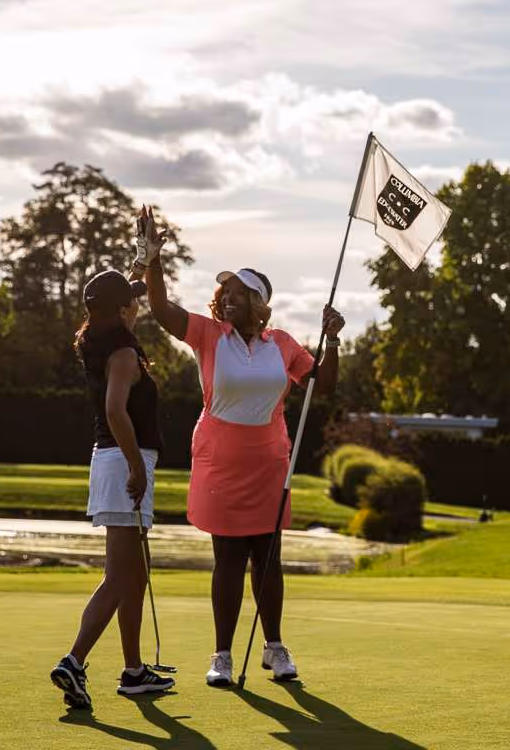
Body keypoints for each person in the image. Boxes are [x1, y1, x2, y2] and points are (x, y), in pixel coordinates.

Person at [138, 205, 345, 687]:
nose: (226, 298)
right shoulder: (210, 336)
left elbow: (323, 384)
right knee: (227, 558)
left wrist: (333, 340)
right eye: (224, 291)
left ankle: (274, 648)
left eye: (238, 292)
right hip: (220, 463)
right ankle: (223, 656)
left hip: (270, 462)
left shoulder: (282, 343)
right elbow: (163, 310)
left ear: (259, 301)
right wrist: (152, 261)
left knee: (267, 557)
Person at [49, 270, 175, 709]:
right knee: (121, 576)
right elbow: (115, 410)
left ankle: (135, 671)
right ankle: (74, 661)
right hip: (125, 461)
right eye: (133, 301)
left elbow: (125, 304)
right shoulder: (122, 352)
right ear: (122, 310)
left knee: (134, 573)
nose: (138, 306)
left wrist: (147, 263)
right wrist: (137, 467)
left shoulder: (102, 341)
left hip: (111, 461)